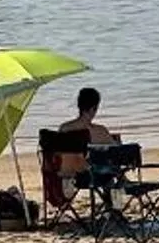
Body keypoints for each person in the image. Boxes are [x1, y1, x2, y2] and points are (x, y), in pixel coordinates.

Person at [37, 86, 114, 215]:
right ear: (94, 108)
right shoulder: (99, 131)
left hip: (64, 174)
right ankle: (112, 209)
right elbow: (117, 151)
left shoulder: (64, 129)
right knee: (110, 168)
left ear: (79, 106)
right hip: (89, 176)